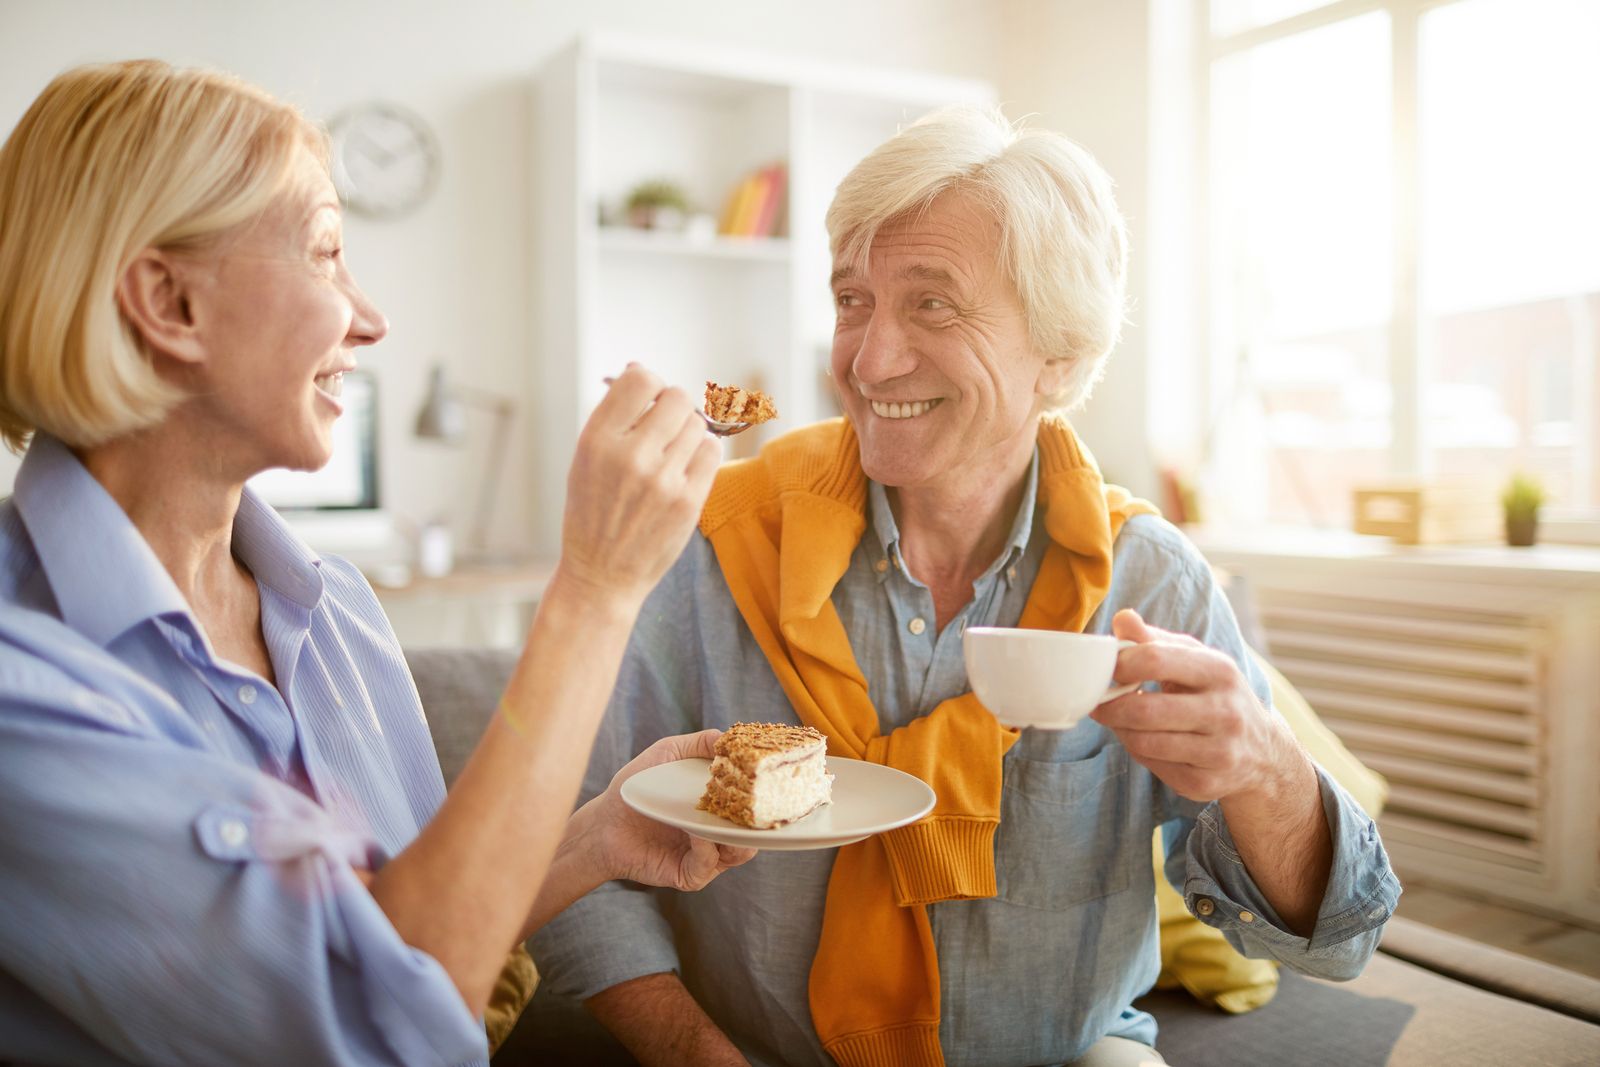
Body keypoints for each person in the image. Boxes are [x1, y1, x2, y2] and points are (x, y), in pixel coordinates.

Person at [531, 106, 1402, 1067]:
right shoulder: (710, 546)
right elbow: (573, 866)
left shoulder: (1149, 576)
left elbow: (1339, 938)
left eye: (932, 303)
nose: (867, 361)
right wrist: (697, 1054)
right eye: (852, 298)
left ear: (1060, 356)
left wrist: (1266, 766)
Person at [0, 60, 753, 1066]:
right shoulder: (26, 684)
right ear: (168, 301)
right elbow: (373, 1025)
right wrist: (594, 590)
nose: (369, 316)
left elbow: (409, 927)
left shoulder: (335, 610)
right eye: (325, 254)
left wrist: (597, 836)